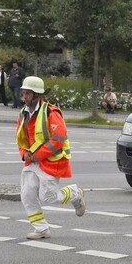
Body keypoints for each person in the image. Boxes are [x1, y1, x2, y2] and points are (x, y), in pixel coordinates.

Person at [17, 76, 86, 239]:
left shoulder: (51, 112)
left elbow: (59, 138)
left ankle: (76, 193)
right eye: (24, 93)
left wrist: (38, 155)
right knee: (27, 194)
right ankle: (41, 229)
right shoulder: (23, 113)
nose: (24, 96)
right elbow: (20, 138)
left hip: (51, 162)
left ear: (37, 95)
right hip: (32, 161)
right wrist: (24, 154)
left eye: (28, 93)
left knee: (47, 197)